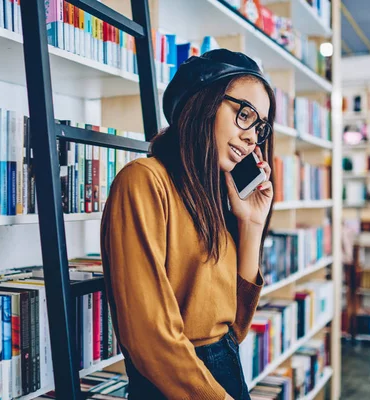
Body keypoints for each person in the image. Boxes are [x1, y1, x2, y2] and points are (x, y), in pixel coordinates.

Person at [100, 49, 275, 400]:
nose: (253, 137)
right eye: (244, 115)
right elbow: (149, 335)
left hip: (224, 373)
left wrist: (252, 224)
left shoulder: (212, 195)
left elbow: (235, 327)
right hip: (178, 386)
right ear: (202, 104)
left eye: (260, 126)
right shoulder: (144, 181)